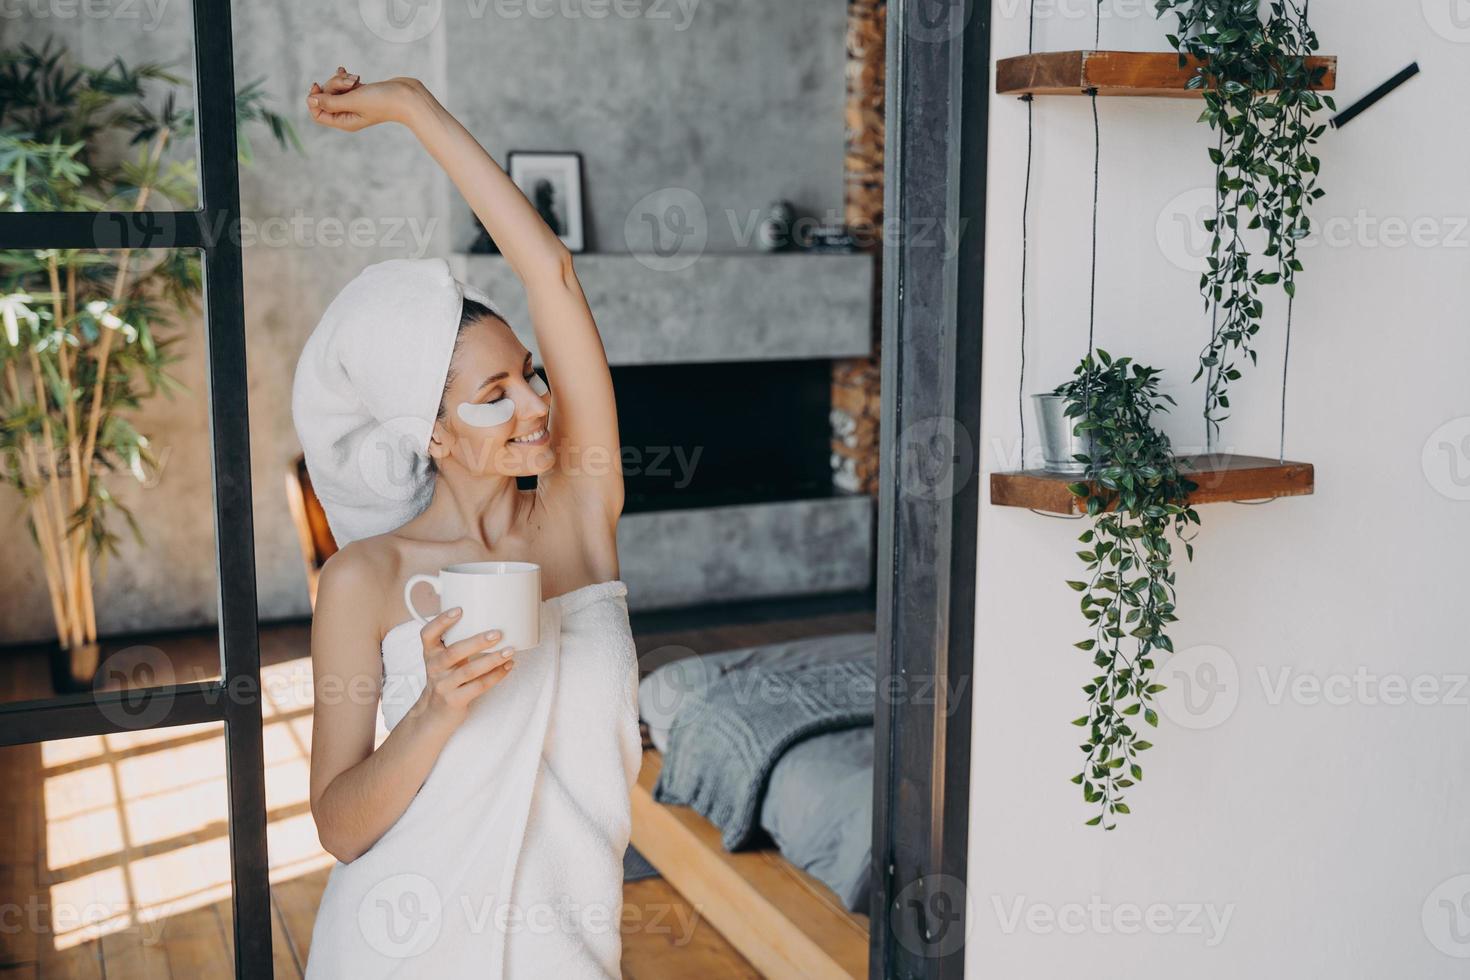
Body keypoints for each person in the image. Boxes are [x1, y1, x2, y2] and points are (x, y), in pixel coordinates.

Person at [291, 67, 639, 978]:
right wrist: (437, 712)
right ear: (432, 433)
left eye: (528, 373)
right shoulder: (364, 579)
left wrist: (414, 108)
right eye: (495, 394)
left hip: (568, 954)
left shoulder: (579, 515)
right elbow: (338, 824)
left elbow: (550, 273)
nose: (533, 403)